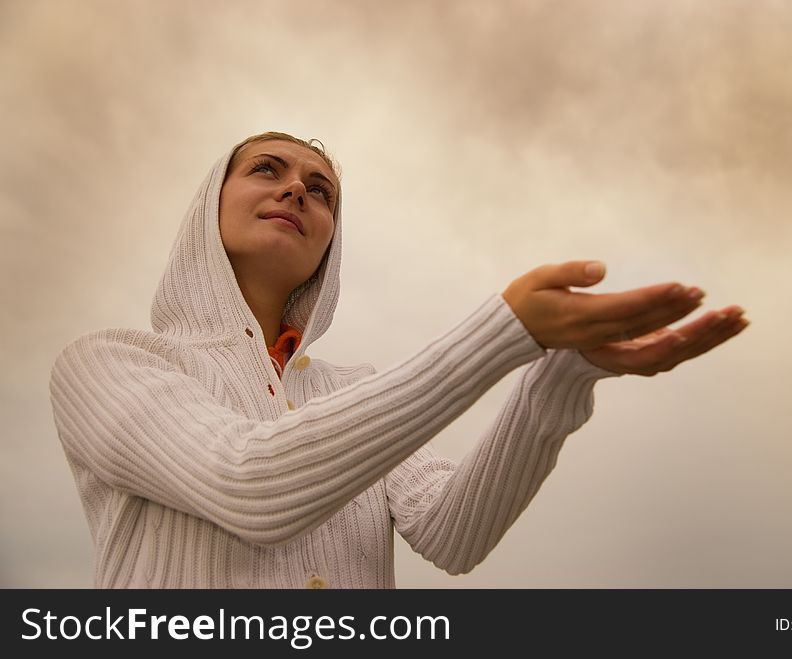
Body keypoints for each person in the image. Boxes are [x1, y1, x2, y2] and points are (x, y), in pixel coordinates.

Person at [48, 131, 748, 588]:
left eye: (320, 190)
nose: (296, 188)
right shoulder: (108, 365)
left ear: (330, 246)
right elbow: (247, 481)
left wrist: (561, 372)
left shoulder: (355, 391)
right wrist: (503, 329)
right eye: (268, 169)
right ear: (209, 207)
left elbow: (455, 532)